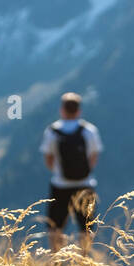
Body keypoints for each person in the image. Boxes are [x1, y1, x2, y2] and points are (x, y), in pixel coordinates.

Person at [41, 92, 102, 257]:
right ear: (79, 110)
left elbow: (48, 159)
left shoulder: (52, 131)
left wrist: (59, 172)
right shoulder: (89, 131)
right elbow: (94, 157)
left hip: (60, 185)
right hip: (86, 184)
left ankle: (57, 262)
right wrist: (84, 172)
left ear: (62, 110)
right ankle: (85, 262)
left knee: (55, 226)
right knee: (86, 226)